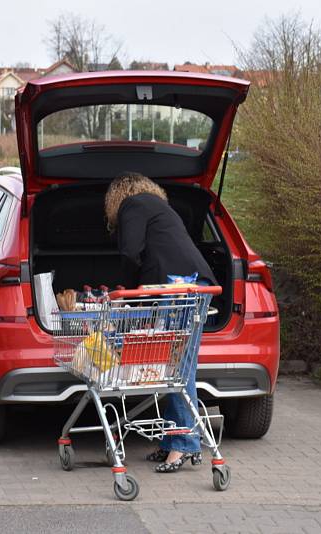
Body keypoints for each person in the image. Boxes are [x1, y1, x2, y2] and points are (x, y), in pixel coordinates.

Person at [104, 171, 217, 473]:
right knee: (175, 368)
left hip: (177, 287)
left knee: (178, 370)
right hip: (192, 284)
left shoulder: (132, 205)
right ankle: (173, 441)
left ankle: (183, 445)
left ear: (118, 195)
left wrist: (126, 296)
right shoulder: (159, 208)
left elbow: (130, 252)